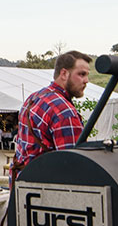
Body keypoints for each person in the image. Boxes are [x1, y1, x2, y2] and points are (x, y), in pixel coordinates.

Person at [10, 50, 91, 180]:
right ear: (64, 73)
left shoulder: (34, 97)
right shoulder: (64, 111)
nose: (86, 80)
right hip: (44, 187)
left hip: (21, 182)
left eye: (87, 75)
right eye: (81, 74)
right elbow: (73, 165)